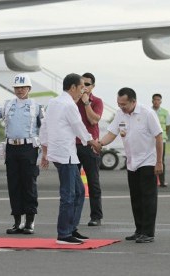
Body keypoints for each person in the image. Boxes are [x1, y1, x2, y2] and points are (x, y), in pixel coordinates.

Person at [39, 73, 100, 245]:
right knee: (69, 194)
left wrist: (45, 151)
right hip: (65, 154)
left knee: (79, 191)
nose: (83, 91)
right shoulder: (69, 105)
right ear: (72, 87)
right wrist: (93, 142)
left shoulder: (53, 103)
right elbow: (79, 128)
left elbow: (44, 128)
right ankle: (64, 234)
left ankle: (71, 229)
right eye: (81, 87)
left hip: (65, 154)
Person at [99, 87, 163, 243]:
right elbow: (112, 133)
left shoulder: (147, 113)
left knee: (148, 198)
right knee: (135, 197)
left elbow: (159, 136)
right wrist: (99, 143)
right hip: (131, 162)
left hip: (148, 161)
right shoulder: (120, 114)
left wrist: (159, 161)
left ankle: (148, 233)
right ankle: (139, 229)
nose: (121, 107)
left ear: (133, 101)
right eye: (119, 103)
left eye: (124, 104)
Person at [0, 73, 42, 235]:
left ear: (29, 88)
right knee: (14, 185)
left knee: (29, 185)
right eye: (17, 87)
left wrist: (44, 153)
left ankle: (30, 222)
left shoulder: (36, 106)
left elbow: (44, 129)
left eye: (23, 87)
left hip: (29, 148)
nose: (20, 90)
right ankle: (17, 221)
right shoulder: (7, 105)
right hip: (11, 148)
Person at [76, 72, 104, 227]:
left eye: (87, 84)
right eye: (82, 84)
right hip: (73, 146)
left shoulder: (97, 101)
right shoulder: (72, 101)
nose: (84, 87)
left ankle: (96, 216)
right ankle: (73, 216)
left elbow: (93, 120)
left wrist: (86, 103)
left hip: (90, 146)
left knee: (93, 183)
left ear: (93, 86)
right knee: (73, 183)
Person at [151, 93, 170, 187]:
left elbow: (168, 126)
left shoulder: (165, 112)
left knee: (161, 160)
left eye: (158, 100)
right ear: (152, 101)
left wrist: (162, 135)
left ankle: (162, 181)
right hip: (150, 141)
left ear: (161, 101)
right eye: (155, 99)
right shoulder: (148, 111)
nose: (156, 101)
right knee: (151, 160)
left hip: (161, 140)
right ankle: (153, 181)